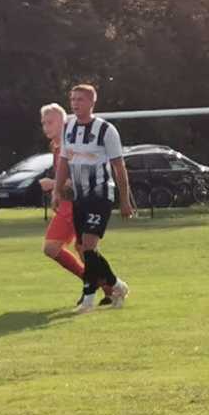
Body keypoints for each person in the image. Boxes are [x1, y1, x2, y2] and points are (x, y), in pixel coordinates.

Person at [56, 84, 131, 313]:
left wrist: (125, 200)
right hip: (79, 197)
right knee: (85, 248)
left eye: (80, 99)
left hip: (100, 194)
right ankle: (117, 285)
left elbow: (119, 167)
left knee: (88, 245)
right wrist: (57, 192)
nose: (75, 103)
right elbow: (63, 162)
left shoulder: (106, 130)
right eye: (73, 99)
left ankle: (88, 299)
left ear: (91, 102)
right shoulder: (67, 127)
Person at [37, 103, 96, 301]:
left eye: (50, 122)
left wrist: (52, 184)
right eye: (43, 123)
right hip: (67, 204)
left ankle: (108, 285)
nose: (46, 127)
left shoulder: (70, 148)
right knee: (80, 250)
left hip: (75, 205)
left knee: (62, 248)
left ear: (63, 123)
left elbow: (76, 182)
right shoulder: (56, 147)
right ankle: (108, 286)